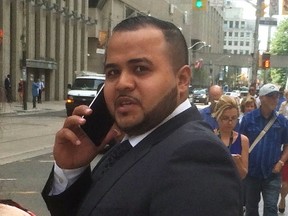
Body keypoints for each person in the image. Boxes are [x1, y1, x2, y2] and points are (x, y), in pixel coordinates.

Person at [42, 16, 243, 216]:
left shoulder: (197, 157)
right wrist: (70, 170)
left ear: (181, 80)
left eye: (140, 69)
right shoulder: (134, 142)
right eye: (113, 72)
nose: (122, 83)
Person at [239, 83, 288, 216]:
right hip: (251, 174)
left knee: (271, 209)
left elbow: (287, 144)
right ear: (261, 98)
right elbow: (240, 143)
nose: (275, 99)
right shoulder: (249, 119)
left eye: (277, 96)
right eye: (271, 96)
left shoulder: (282, 121)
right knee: (251, 208)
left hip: (272, 173)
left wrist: (281, 163)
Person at [213, 95, 249, 179]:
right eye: (225, 118)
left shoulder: (243, 140)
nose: (230, 123)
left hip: (234, 188)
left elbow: (243, 175)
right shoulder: (209, 137)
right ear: (217, 117)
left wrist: (237, 163)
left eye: (233, 118)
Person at [278, 89, 288, 213]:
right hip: (285, 146)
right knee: (284, 182)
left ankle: (282, 198)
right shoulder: (283, 106)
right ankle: (282, 199)